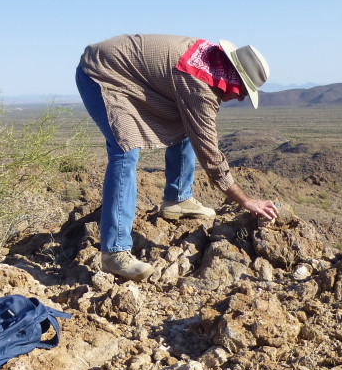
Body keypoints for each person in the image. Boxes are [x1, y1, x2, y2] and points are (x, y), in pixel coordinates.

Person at [75, 34, 280, 281]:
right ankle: (114, 252)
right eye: (243, 90)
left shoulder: (209, 61)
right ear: (233, 77)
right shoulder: (198, 84)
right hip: (100, 72)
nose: (240, 98)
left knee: (186, 120)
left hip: (130, 72)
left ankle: (177, 199)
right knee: (124, 150)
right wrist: (245, 200)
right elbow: (210, 154)